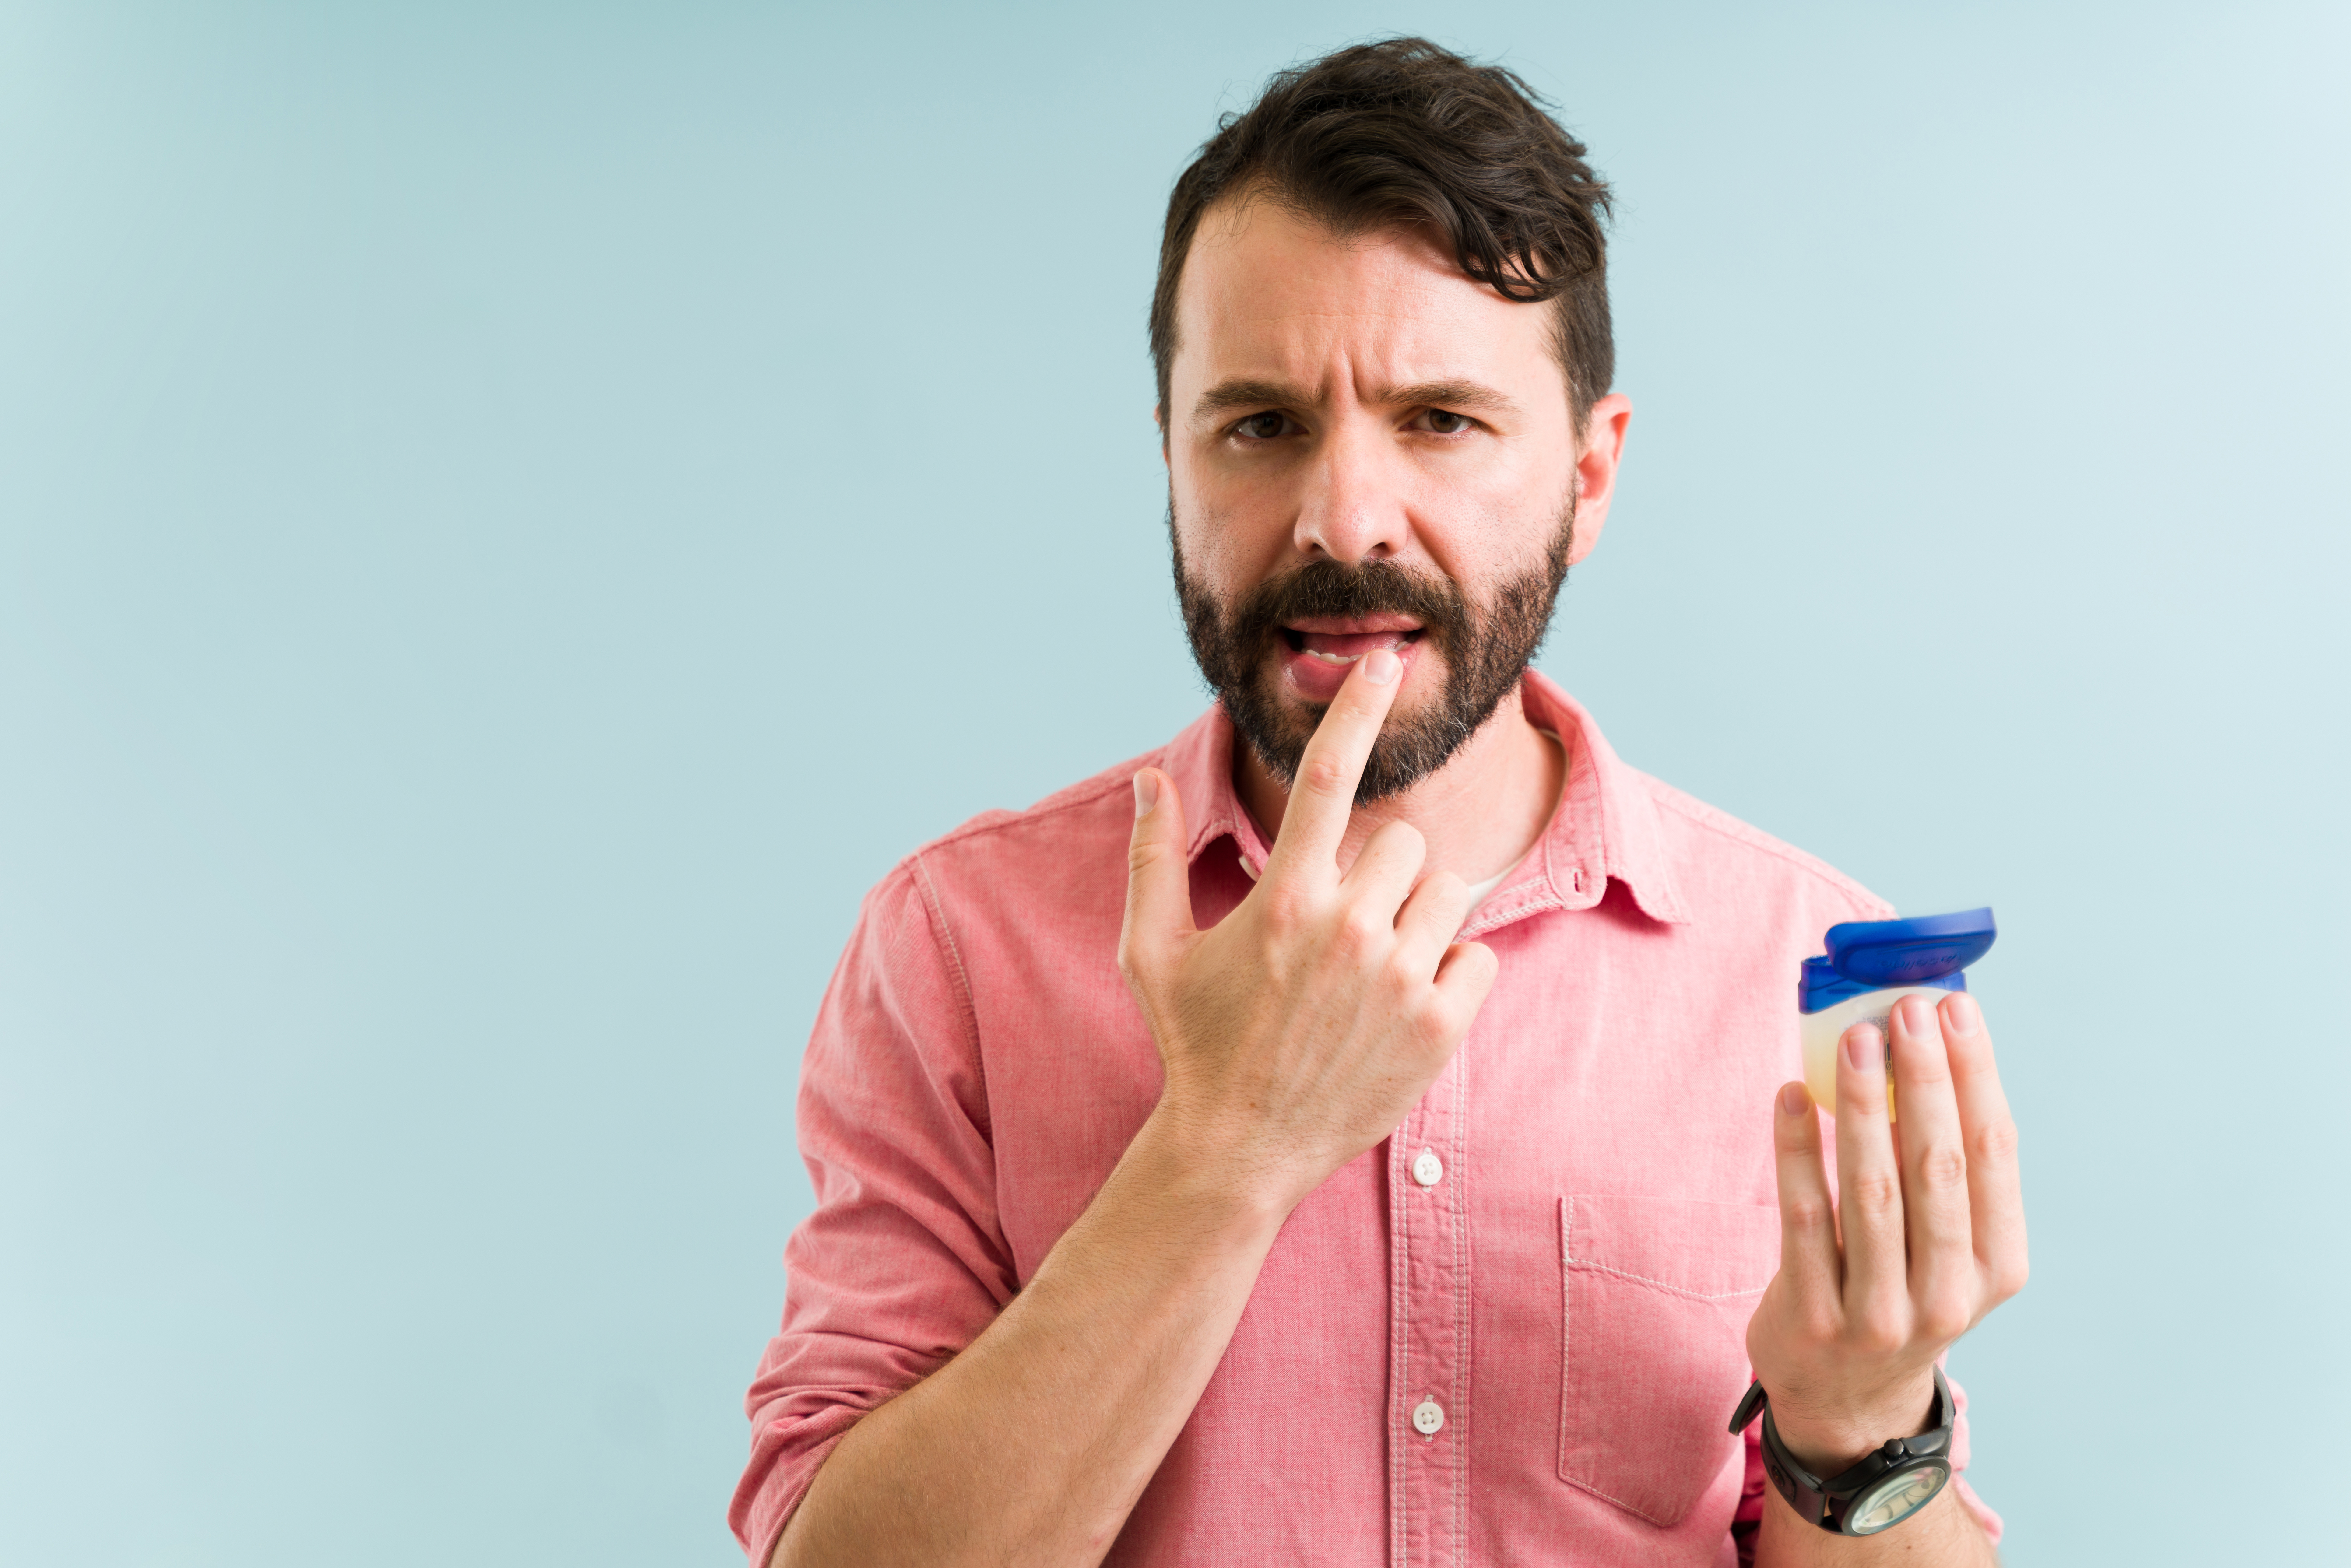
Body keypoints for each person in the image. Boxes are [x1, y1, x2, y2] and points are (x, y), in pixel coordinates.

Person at [731, 37, 2026, 1568]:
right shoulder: (957, 948)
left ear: (1589, 477)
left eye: (1440, 420)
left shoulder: (1800, 963)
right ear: (1170, 457)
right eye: (1259, 424)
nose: (1344, 516)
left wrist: (1860, 1427)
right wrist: (1225, 1149)